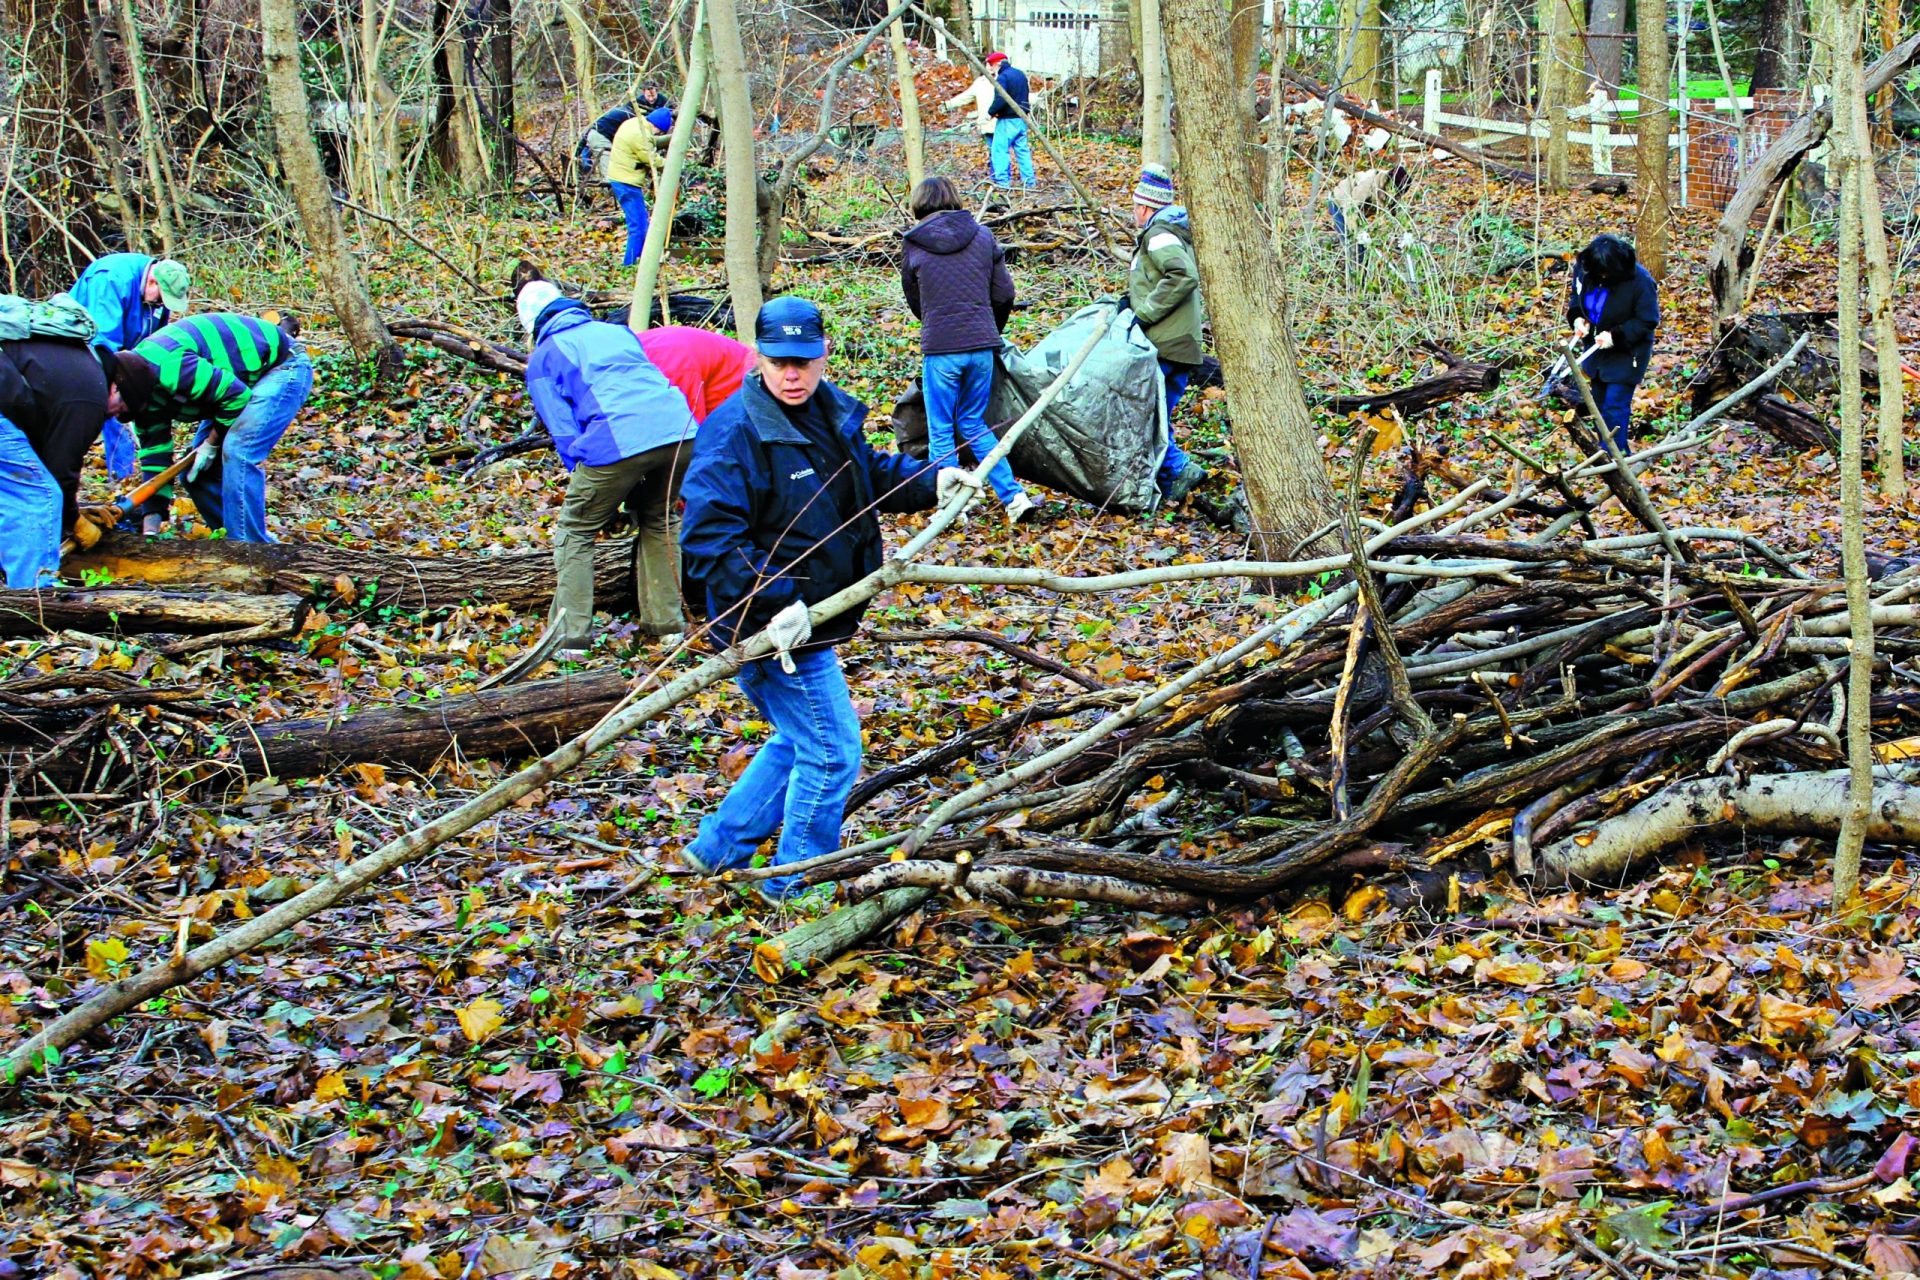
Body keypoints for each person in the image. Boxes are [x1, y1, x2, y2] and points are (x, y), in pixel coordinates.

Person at [677, 297, 975, 903]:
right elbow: (709, 540)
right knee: (834, 752)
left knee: (796, 739)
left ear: (822, 358)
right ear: (759, 358)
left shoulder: (824, 411)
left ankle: (717, 849)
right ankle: (796, 884)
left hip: (814, 616)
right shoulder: (733, 433)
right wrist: (772, 603)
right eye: (781, 362)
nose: (793, 374)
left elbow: (861, 474)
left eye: (804, 362)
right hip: (769, 628)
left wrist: (929, 480)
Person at [516, 269, 735, 652]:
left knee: (576, 529)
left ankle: (571, 637)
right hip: (681, 431)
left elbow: (564, 433)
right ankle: (667, 626)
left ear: (530, 324)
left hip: (616, 442)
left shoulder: (543, 357)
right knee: (661, 518)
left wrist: (589, 483)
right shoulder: (615, 332)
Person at [103, 312, 313, 542]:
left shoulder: (170, 366)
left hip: (282, 366)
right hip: (233, 388)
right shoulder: (141, 401)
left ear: (116, 386)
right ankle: (236, 540)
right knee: (196, 473)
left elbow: (236, 397)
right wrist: (150, 532)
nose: (111, 414)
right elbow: (156, 464)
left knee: (238, 450)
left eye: (112, 405)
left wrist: (211, 444)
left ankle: (249, 552)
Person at [901, 176, 1033, 525]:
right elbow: (1004, 294)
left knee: (941, 428)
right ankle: (1015, 497)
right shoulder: (983, 236)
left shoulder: (913, 243)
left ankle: (952, 508)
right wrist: (990, 331)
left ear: (920, 205)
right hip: (981, 346)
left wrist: (935, 323)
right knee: (974, 421)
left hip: (941, 348)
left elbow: (915, 300)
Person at [0, 335, 115, 586]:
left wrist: (74, 510)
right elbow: (59, 473)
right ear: (116, 387)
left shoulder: (71, 364)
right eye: (121, 407)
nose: (114, 415)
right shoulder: (90, 392)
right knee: (39, 497)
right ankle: (31, 604)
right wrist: (73, 520)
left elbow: (42, 462)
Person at [1125, 164, 1208, 506]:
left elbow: (1182, 275)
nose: (1133, 212)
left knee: (1146, 418)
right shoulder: (1169, 231)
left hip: (1164, 344)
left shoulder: (1159, 233)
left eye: (1135, 206)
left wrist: (1144, 312)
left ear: (1145, 206)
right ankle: (1168, 482)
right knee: (1158, 416)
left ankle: (1179, 468)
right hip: (1179, 343)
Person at [68, 253, 189, 480]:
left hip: (122, 354)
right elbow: (103, 347)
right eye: (161, 298)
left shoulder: (156, 293)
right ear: (152, 282)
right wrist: (129, 384)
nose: (161, 305)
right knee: (116, 404)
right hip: (89, 356)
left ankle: (143, 471)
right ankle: (124, 477)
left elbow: (155, 341)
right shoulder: (111, 280)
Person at [1566, 233, 1660, 453]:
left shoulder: (1641, 282)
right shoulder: (1585, 268)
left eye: (1606, 273)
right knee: (1598, 404)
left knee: (1615, 405)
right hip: (1595, 350)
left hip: (1628, 353)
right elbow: (1576, 296)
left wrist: (1616, 336)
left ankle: (1616, 455)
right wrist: (1578, 318)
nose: (1603, 276)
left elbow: (1648, 320)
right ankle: (1604, 449)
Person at [606, 106, 674, 265]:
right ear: (658, 127)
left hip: (621, 178)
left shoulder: (634, 123)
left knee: (641, 223)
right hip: (626, 182)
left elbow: (651, 142)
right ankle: (630, 264)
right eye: (660, 132)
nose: (658, 135)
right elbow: (652, 159)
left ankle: (641, 260)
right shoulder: (640, 135)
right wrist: (675, 164)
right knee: (638, 226)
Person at [1327, 164, 1410, 252]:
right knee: (1355, 246)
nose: (1396, 196)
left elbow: (1396, 214)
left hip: (1358, 209)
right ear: (1388, 184)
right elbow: (1350, 209)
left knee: (1364, 246)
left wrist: (1403, 234)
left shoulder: (1394, 189)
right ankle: (1353, 263)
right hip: (1339, 204)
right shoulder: (1368, 185)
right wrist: (1358, 233)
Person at [985, 52, 1035, 189]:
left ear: (997, 64)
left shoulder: (1002, 77)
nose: (990, 68)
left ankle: (1003, 183)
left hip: (1007, 120)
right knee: (1022, 151)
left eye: (990, 64)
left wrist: (990, 113)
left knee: (999, 150)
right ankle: (1029, 182)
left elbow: (1001, 99)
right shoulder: (1020, 74)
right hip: (1022, 119)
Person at [943, 70, 997, 169]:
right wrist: (948, 105)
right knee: (994, 151)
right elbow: (965, 97)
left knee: (999, 152)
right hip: (987, 124)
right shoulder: (981, 82)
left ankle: (1001, 179)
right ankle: (996, 177)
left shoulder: (1004, 79)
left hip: (1002, 122)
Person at [579, 101, 636, 182]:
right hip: (601, 137)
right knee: (609, 170)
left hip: (596, 136)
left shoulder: (619, 111)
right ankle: (609, 186)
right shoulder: (629, 116)